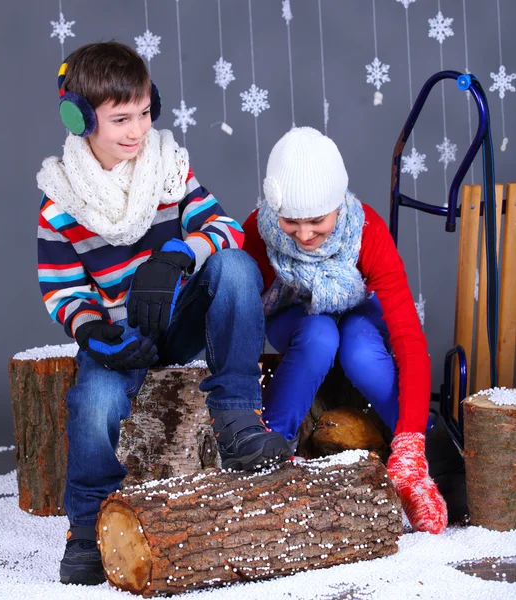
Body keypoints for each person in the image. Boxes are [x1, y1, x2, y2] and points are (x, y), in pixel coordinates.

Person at [36, 41, 292, 586]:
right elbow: (63, 292)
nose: (137, 130)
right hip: (120, 335)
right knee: (93, 400)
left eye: (146, 113)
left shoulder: (169, 168)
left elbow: (225, 229)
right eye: (120, 118)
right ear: (80, 118)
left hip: (177, 318)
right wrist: (96, 332)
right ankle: (87, 523)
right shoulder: (60, 202)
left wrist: (179, 253)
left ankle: (238, 420)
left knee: (236, 268)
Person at [242, 126, 448, 535]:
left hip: (358, 313)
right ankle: (274, 451)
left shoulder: (366, 230)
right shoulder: (257, 232)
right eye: (290, 221)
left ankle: (416, 455)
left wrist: (409, 446)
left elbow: (408, 336)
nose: (303, 235)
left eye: (317, 221)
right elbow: (242, 323)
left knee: (358, 349)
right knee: (320, 333)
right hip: (294, 318)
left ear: (338, 205)